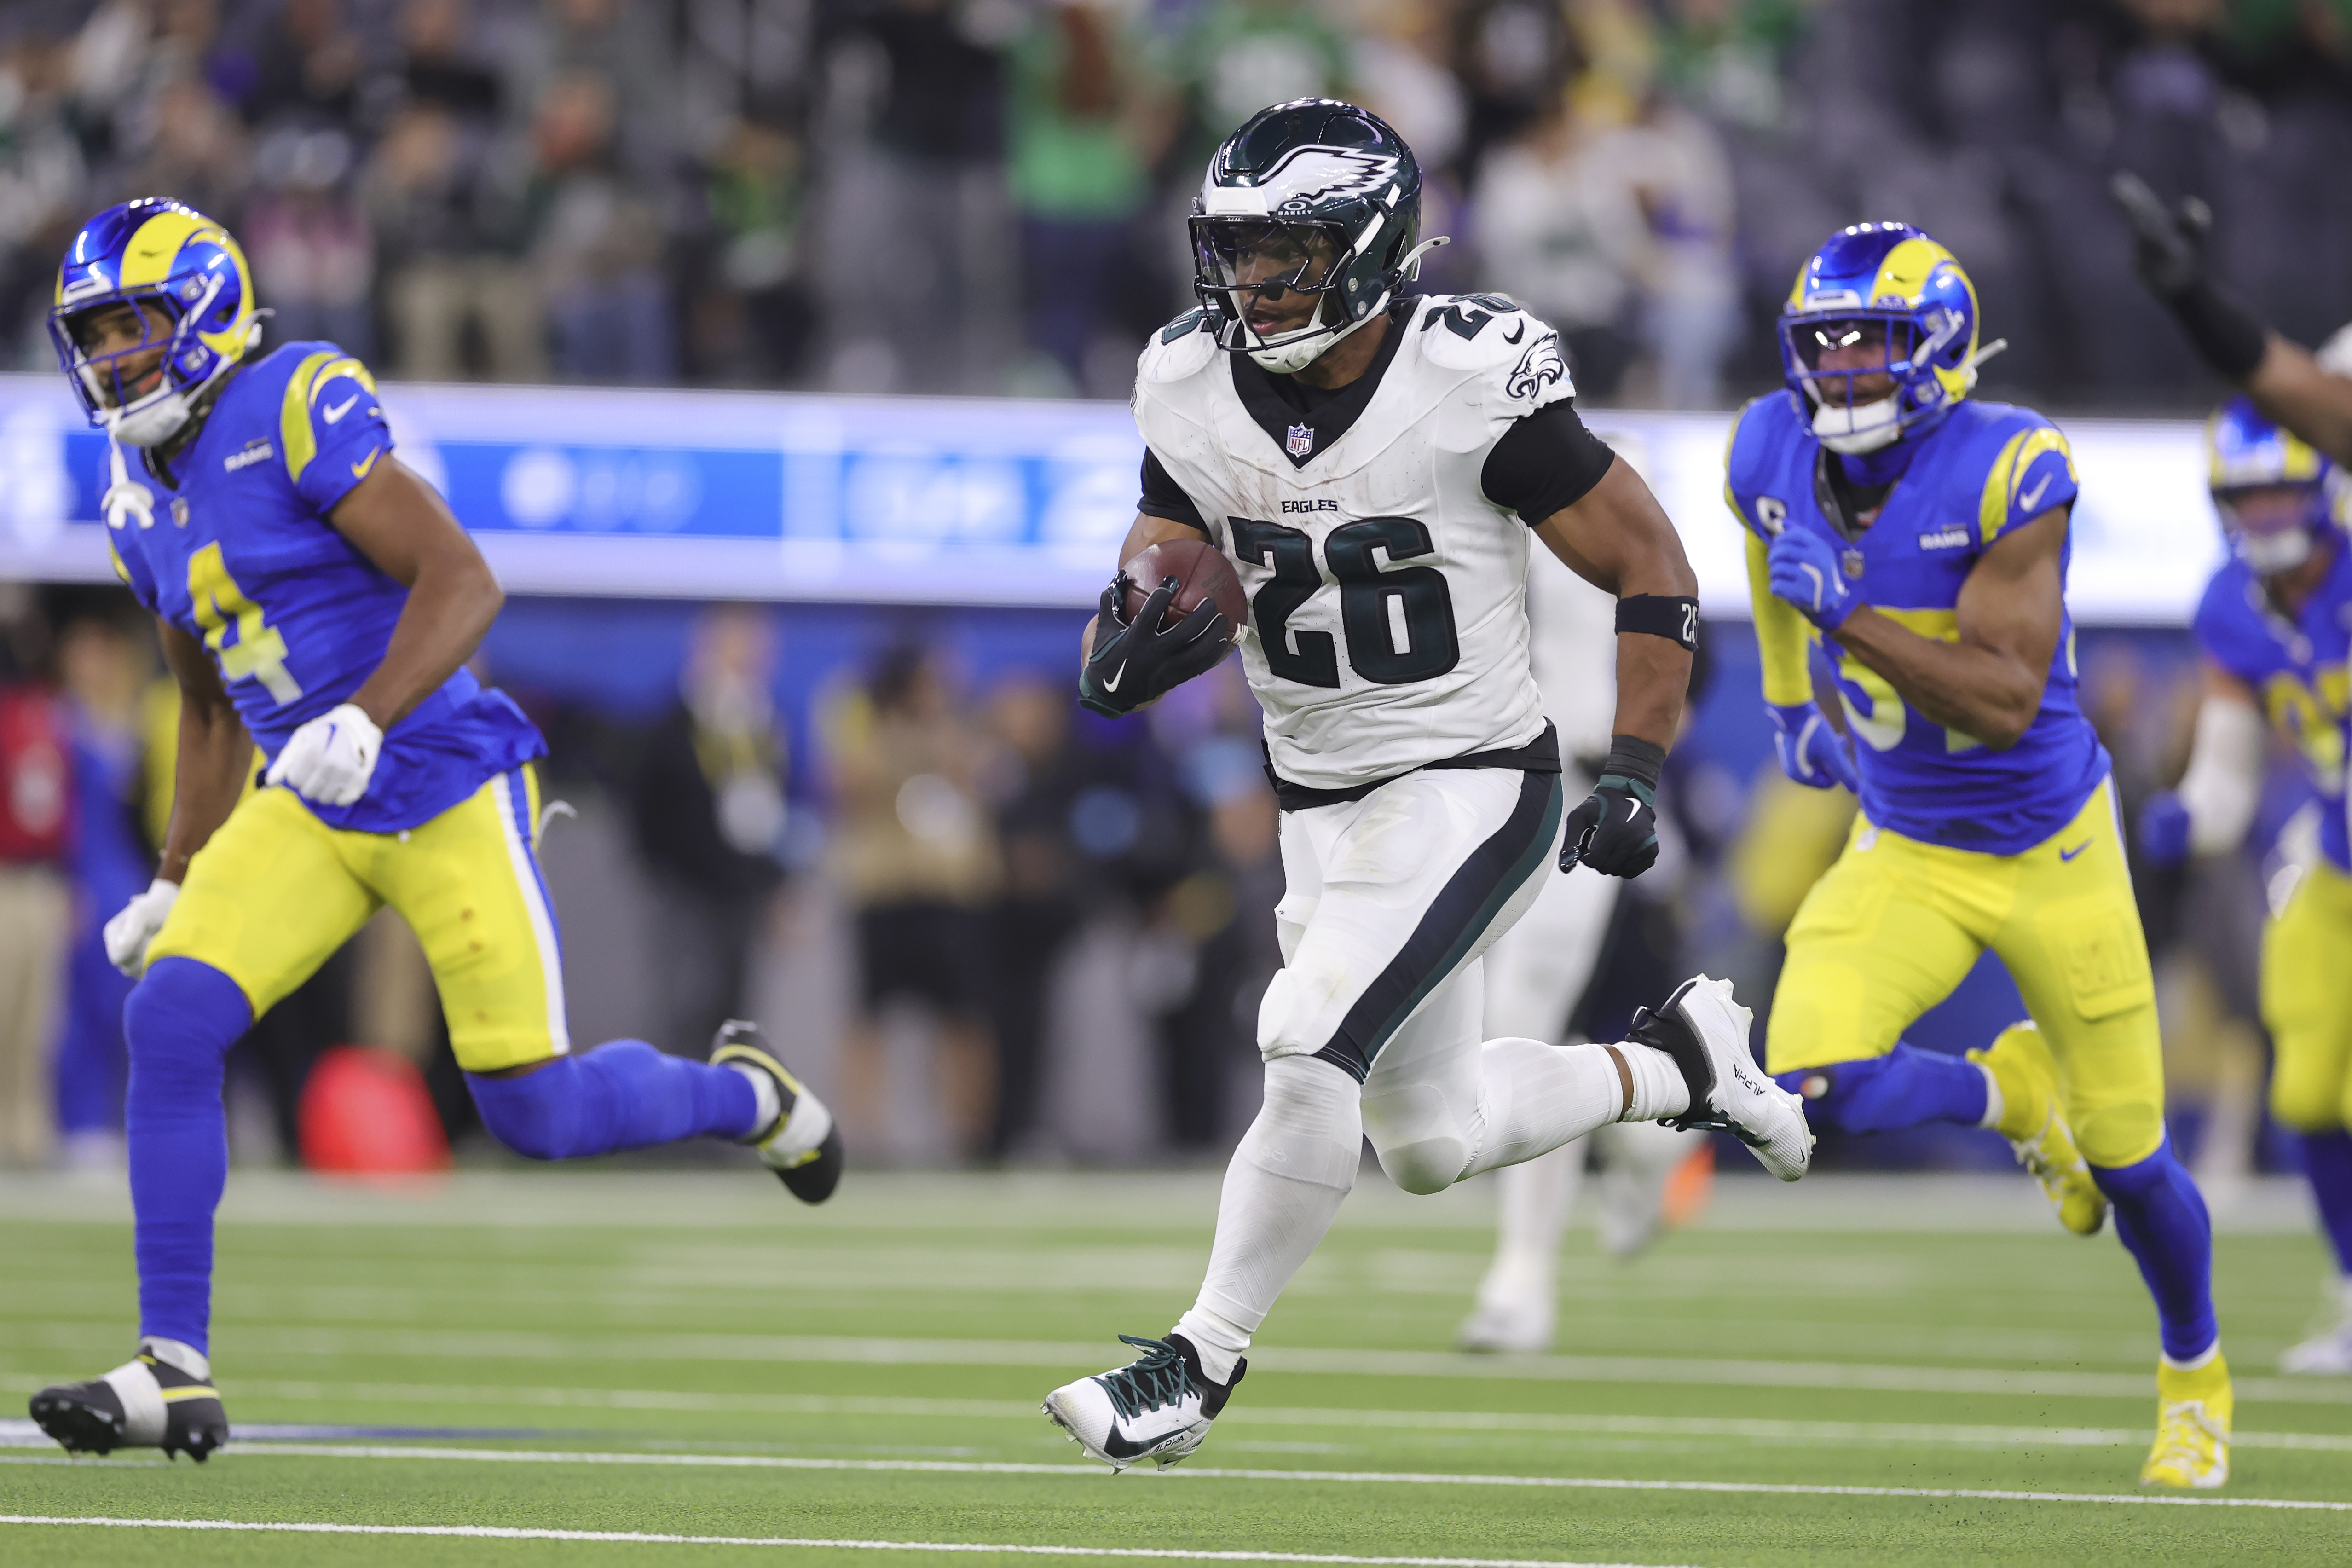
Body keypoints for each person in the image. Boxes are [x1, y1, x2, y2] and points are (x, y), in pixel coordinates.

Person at [1041, 99, 1812, 1474]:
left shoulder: (1469, 376)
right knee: (1430, 1140)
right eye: (1238, 252)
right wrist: (1122, 645)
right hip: (1319, 799)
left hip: (1469, 776)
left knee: (1306, 1036)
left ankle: (1195, 1364)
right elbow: (1161, 549)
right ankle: (1681, 1065)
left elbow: (1652, 565)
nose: (1253, 283)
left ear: (1374, 248)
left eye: (1288, 253)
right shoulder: (1187, 379)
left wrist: (1633, 766)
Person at [25, 199, 840, 1464]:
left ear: (201, 311)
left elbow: (463, 578)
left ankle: (746, 1098)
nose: (112, 360)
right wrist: (176, 874)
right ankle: (171, 1368)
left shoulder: (294, 399)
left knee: (534, 1112)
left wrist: (365, 715)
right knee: (170, 1015)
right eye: (96, 337)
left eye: (131, 329)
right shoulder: (139, 493)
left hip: (440, 777)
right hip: (306, 798)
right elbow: (200, 706)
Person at [1729, 221, 2227, 1488]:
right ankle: (2011, 1094)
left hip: (2051, 843)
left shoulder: (2011, 466)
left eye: (1872, 346)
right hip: (1903, 840)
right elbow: (1760, 530)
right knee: (1803, 1094)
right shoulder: (1766, 445)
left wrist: (1840, 613)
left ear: (1940, 349)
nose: (1841, 374)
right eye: (1824, 348)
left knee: (2133, 1165)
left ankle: (2194, 1378)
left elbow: (2004, 697)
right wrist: (1790, 702)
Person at [1456, 503, 1706, 1354]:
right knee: (1462, 1038)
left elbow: (1673, 610)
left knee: (1518, 1026)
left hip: (1575, 784)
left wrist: (1637, 752)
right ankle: (1651, 1129)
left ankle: (1521, 1277)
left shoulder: (1584, 457)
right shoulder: (1423, 429)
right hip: (1464, 784)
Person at [2137, 400, 2352, 1376]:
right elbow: (2226, 773)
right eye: (2244, 495)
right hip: (2337, 858)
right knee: (2305, 1089)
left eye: (2279, 489)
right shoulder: (2231, 600)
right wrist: (2189, 812)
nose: (2264, 513)